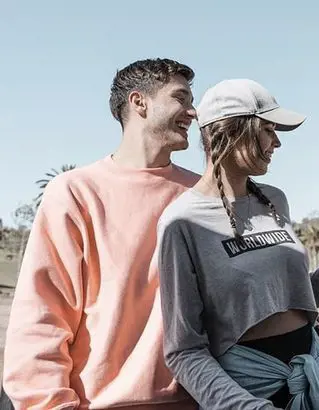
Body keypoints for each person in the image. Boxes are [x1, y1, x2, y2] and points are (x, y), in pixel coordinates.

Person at [157, 78, 319, 409]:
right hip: (249, 394)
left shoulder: (275, 201)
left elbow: (281, 301)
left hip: (314, 381)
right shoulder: (183, 222)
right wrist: (246, 407)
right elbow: (184, 350)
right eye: (268, 130)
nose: (277, 143)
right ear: (229, 132)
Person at [2, 58, 202, 409]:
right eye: (181, 98)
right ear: (139, 102)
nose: (192, 112)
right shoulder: (75, 192)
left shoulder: (202, 195)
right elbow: (41, 315)